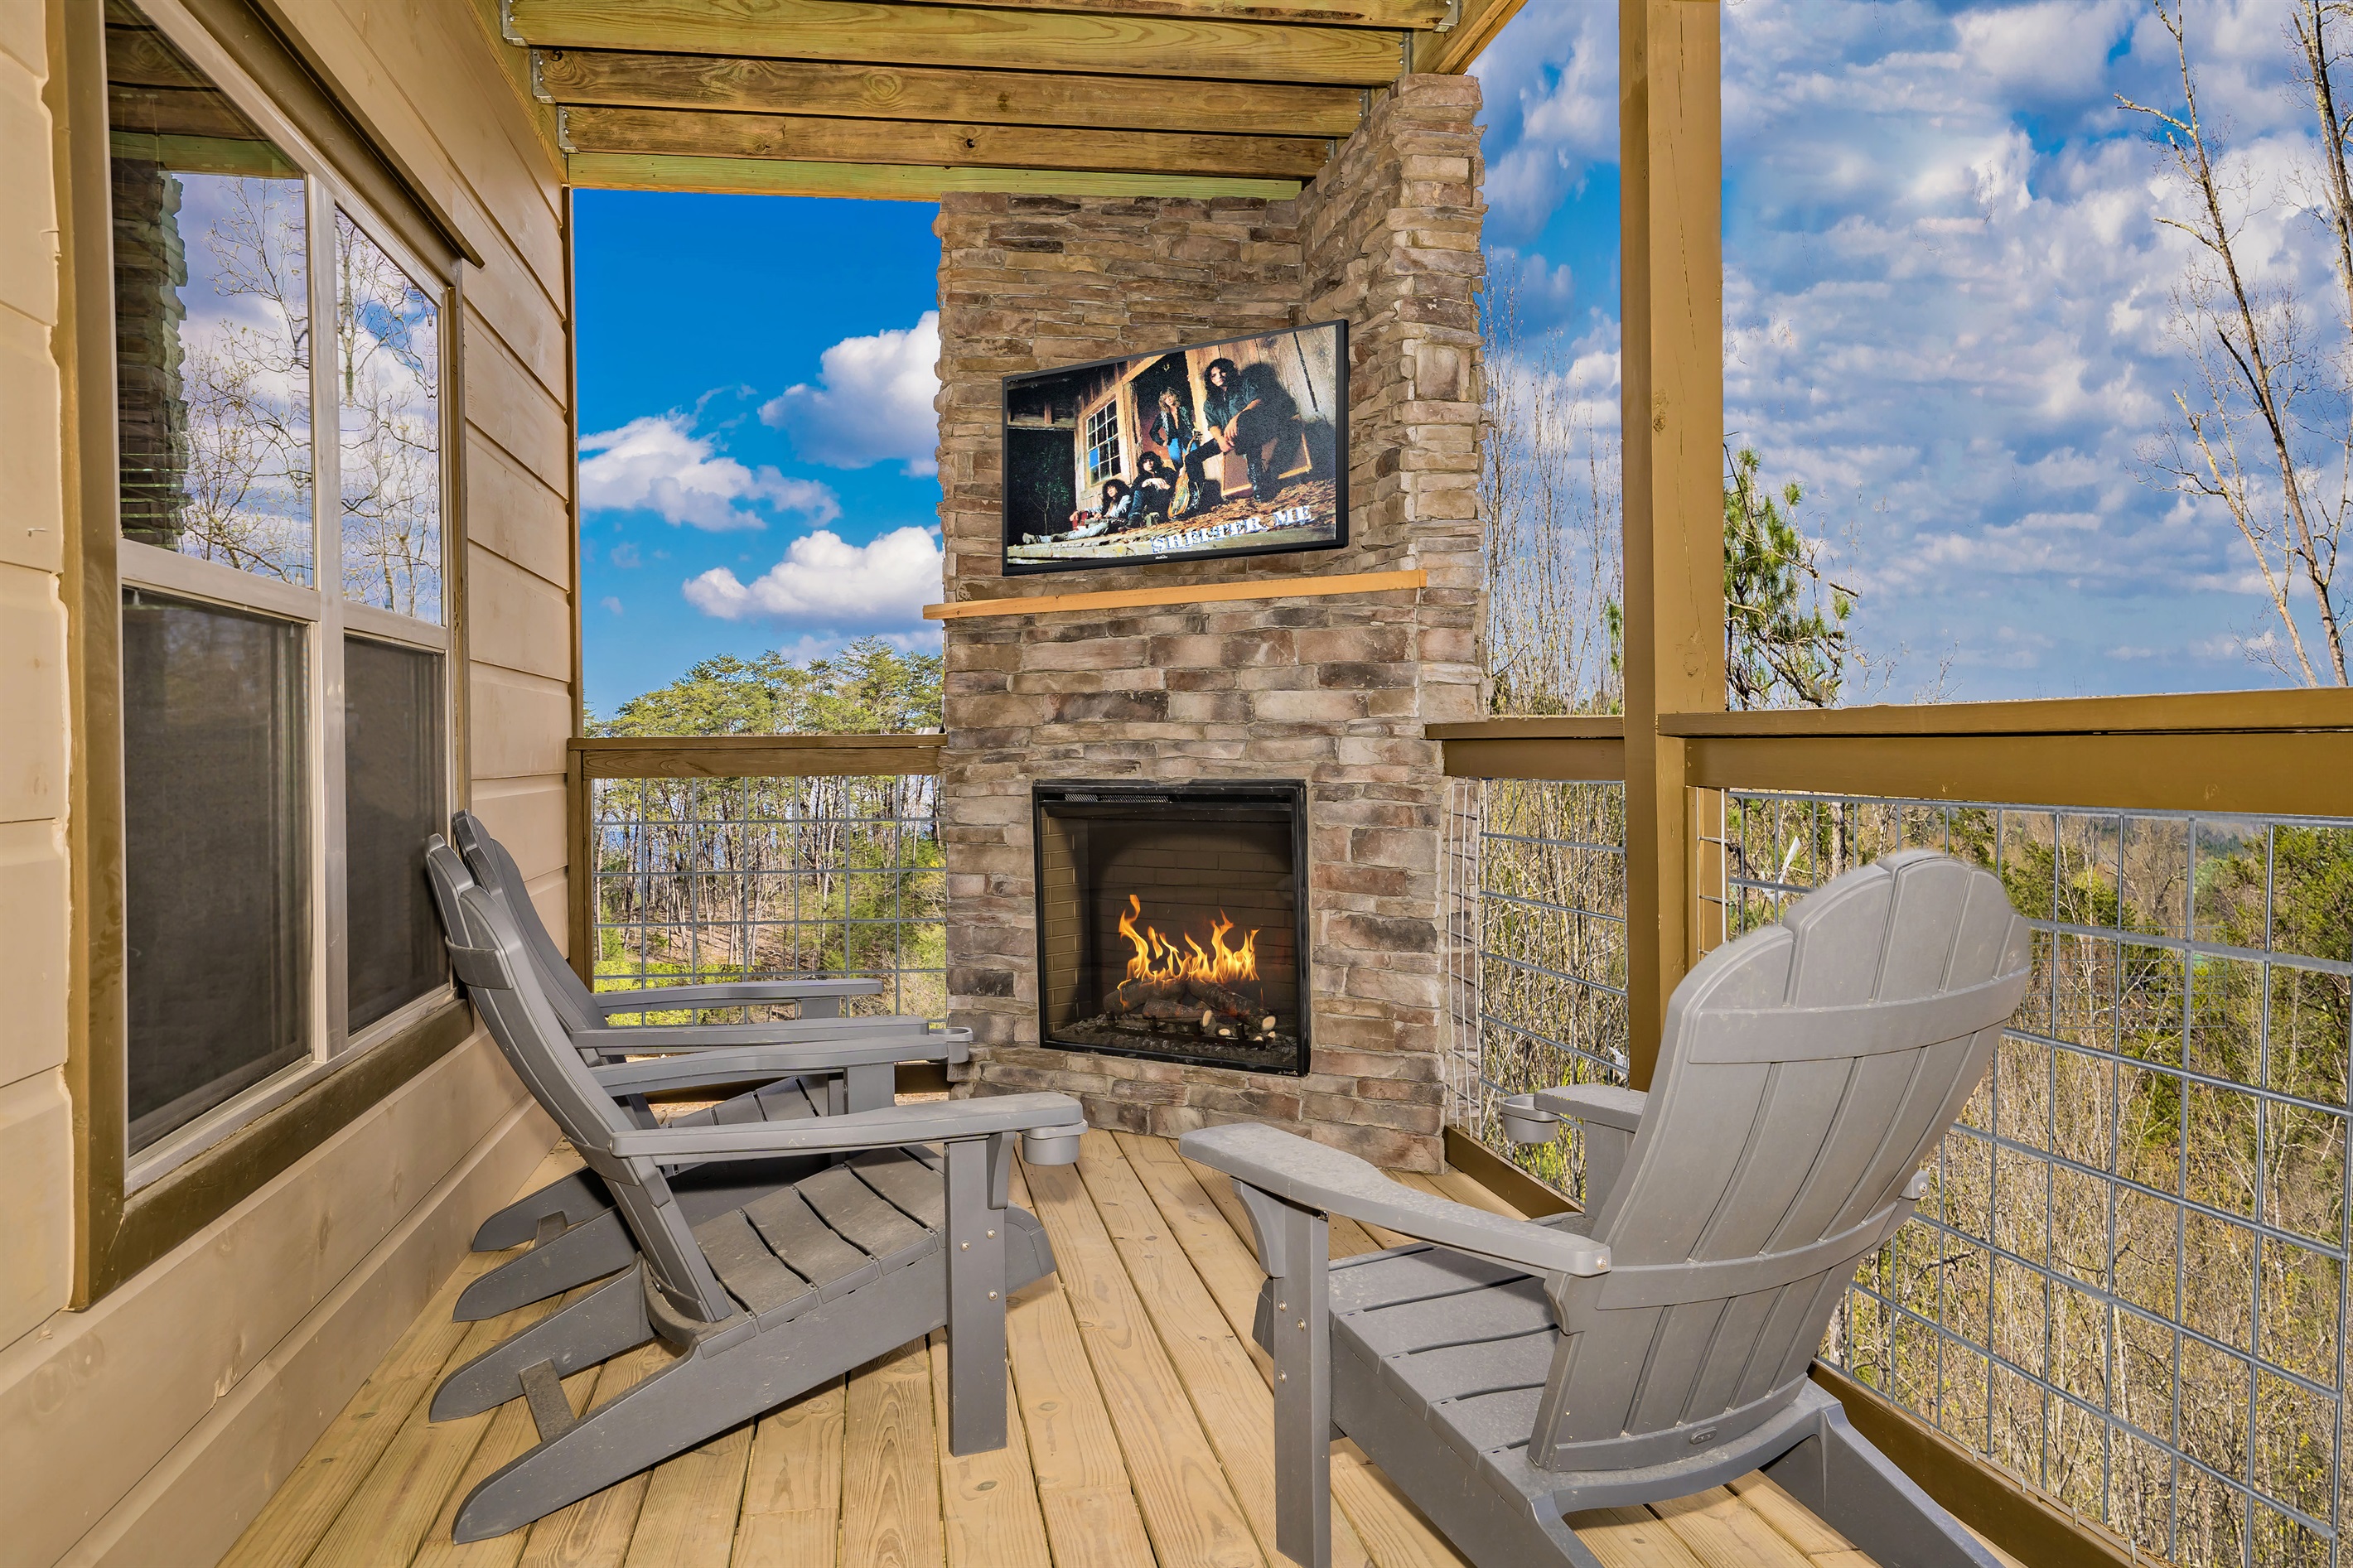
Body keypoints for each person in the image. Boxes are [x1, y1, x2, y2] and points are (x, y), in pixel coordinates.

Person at [1186, 355, 1303, 509]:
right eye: (1214, 375)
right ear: (1211, 380)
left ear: (1229, 371)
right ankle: (1197, 501)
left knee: (1244, 423)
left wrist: (1235, 419)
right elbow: (1213, 425)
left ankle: (1258, 482)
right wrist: (1221, 440)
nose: (1219, 376)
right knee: (1191, 458)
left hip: (1256, 428)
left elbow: (1257, 401)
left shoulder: (1244, 383)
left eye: (1222, 372)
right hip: (1229, 438)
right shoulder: (1210, 402)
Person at [1065, 477, 1133, 539]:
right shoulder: (1109, 503)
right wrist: (1077, 512)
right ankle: (1070, 534)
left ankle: (1067, 536)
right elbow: (1095, 509)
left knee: (1098, 528)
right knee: (1090, 525)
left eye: (1112, 488)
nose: (1109, 491)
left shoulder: (1126, 497)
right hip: (1106, 522)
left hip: (1117, 523)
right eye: (1107, 490)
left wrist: (1105, 516)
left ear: (1118, 487)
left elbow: (1120, 511)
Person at [1133, 451, 1176, 522]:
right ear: (1142, 465)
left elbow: (1179, 486)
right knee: (1138, 492)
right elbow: (1132, 491)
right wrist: (1149, 481)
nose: (1149, 463)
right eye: (1145, 462)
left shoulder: (1167, 471)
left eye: (1151, 460)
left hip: (1169, 502)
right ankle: (1134, 519)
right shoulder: (1141, 478)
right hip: (1153, 506)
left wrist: (1168, 488)